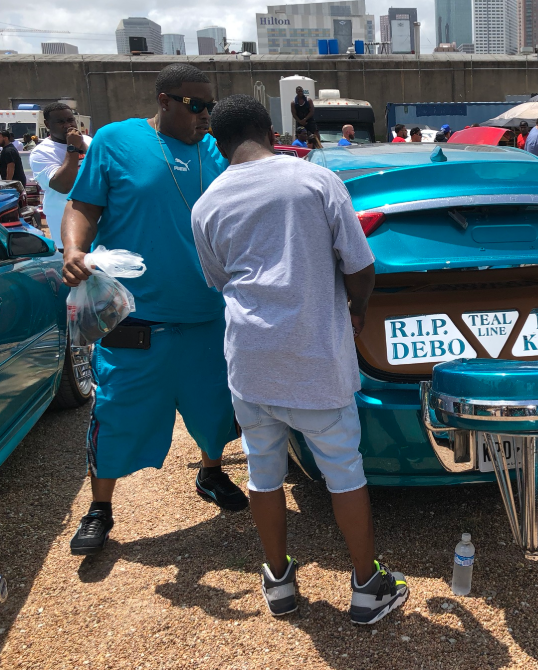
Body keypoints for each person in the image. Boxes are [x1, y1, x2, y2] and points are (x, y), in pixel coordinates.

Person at [190, 94, 409, 622]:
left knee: (263, 475)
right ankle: (367, 584)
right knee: (344, 473)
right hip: (314, 359)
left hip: (250, 364)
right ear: (271, 129)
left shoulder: (205, 205)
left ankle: (279, 581)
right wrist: (356, 308)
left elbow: (219, 282)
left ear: (216, 144)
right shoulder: (314, 180)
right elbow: (359, 265)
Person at [61, 64, 247, 557]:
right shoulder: (117, 141)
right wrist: (73, 250)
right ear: (164, 101)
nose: (206, 116)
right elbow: (82, 206)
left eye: (210, 106)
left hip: (207, 311)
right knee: (117, 409)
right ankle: (100, 508)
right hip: (135, 316)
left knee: (215, 407)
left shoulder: (216, 151)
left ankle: (211, 474)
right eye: (196, 106)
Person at [29, 103, 92, 249]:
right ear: (47, 124)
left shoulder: (88, 141)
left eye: (70, 120)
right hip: (66, 224)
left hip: (97, 220)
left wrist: (84, 147)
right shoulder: (41, 153)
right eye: (61, 122)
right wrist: (73, 148)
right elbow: (64, 186)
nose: (68, 125)